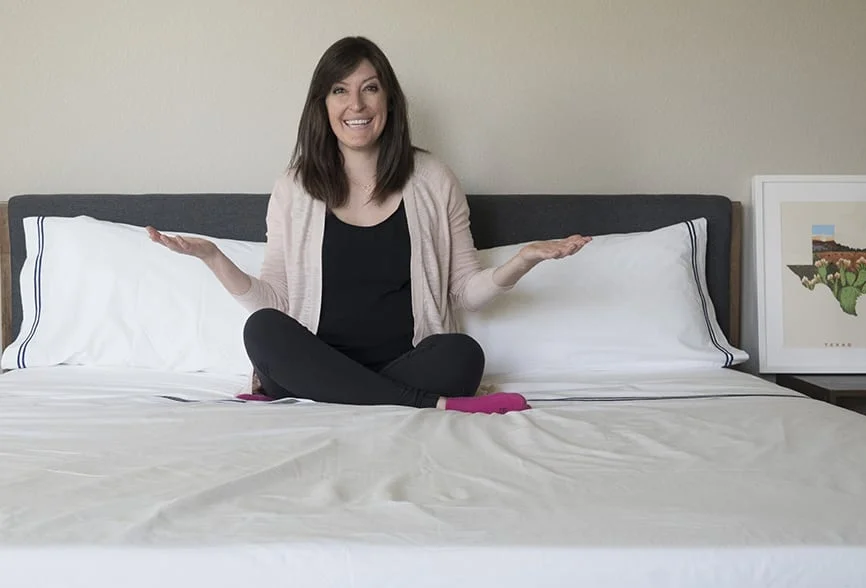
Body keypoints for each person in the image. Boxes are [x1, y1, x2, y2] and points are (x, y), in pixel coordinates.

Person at [147, 36, 590, 414]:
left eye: (369, 88)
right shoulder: (295, 188)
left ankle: (342, 394)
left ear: (389, 100)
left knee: (463, 354)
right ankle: (430, 404)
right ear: (323, 104)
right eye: (340, 90)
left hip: (405, 363)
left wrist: (522, 261)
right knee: (261, 329)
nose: (355, 104)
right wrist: (213, 257)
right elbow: (275, 300)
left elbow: (466, 293)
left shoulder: (433, 179)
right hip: (318, 358)